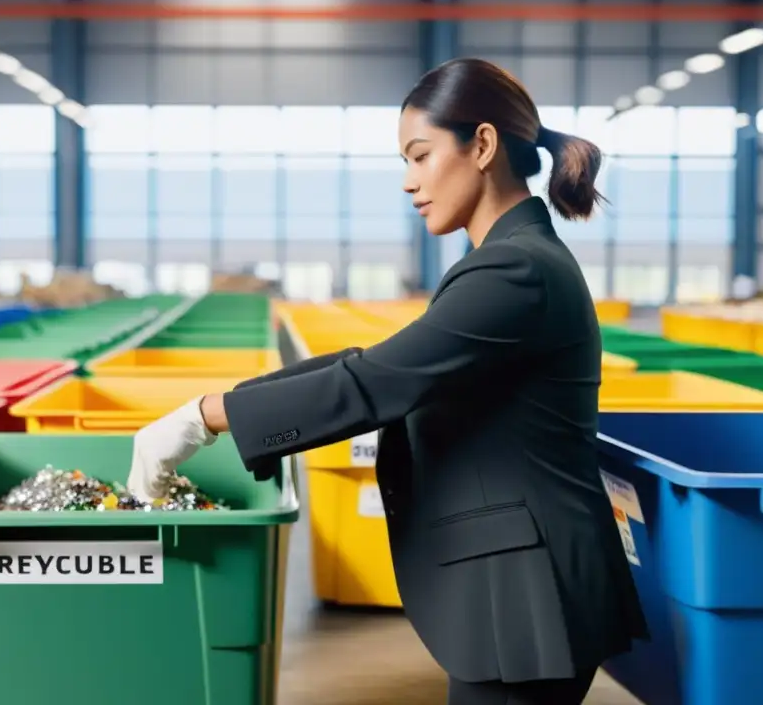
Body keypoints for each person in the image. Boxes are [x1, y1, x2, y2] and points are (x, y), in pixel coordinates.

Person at [127, 57, 649, 705]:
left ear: (482, 145)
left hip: (527, 590)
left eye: (420, 155)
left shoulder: (516, 271)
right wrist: (226, 408)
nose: (408, 182)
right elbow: (381, 363)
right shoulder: (508, 262)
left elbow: (377, 380)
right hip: (520, 585)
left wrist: (203, 416)